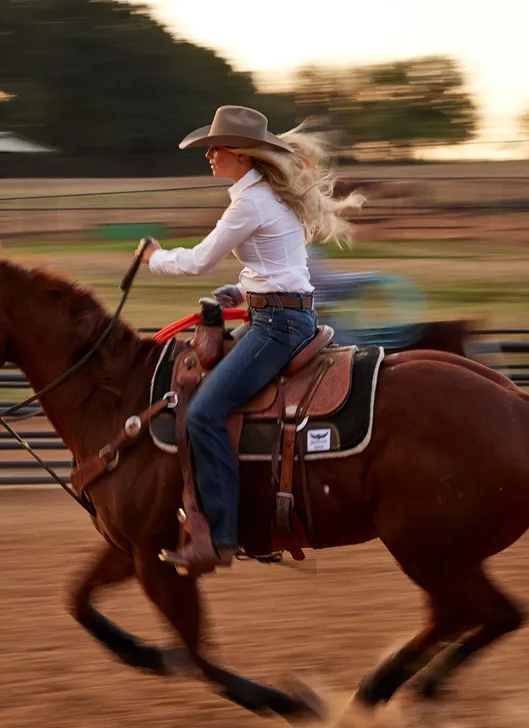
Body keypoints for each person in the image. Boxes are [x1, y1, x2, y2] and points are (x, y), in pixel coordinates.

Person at [138, 105, 363, 573]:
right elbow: (281, 265)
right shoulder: (269, 197)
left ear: (240, 155)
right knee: (199, 382)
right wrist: (244, 288)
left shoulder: (250, 203)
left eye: (216, 149)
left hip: (275, 328)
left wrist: (154, 258)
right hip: (283, 317)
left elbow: (198, 261)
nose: (210, 156)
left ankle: (219, 536)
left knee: (202, 412)